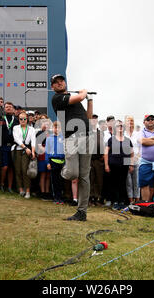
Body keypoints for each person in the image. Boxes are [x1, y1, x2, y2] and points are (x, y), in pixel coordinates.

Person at [51, 74, 93, 221]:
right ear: (53, 87)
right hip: (72, 139)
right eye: (56, 83)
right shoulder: (57, 99)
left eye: (61, 81)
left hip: (87, 136)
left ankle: (82, 212)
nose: (59, 83)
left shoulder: (74, 99)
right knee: (72, 174)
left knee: (84, 176)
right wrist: (83, 92)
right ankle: (63, 169)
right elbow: (79, 97)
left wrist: (90, 100)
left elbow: (87, 116)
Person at [104, 120, 134, 210]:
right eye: (118, 126)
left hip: (124, 166)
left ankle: (122, 202)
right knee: (114, 184)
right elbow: (106, 153)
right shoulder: (111, 140)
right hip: (113, 166)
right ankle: (115, 202)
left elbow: (132, 154)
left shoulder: (128, 140)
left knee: (122, 184)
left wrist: (131, 165)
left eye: (121, 126)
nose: (120, 127)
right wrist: (106, 165)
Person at [13, 111, 36, 198]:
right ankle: (20, 189)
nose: (22, 120)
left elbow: (33, 141)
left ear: (27, 119)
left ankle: (27, 191)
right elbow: (16, 139)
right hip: (17, 150)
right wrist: (25, 148)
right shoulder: (15, 128)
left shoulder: (31, 129)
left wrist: (33, 151)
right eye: (20, 119)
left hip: (28, 151)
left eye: (24, 119)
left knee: (25, 171)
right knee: (18, 170)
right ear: (18, 120)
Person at [0, 102, 18, 193]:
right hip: (4, 146)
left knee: (11, 167)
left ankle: (9, 187)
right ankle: (2, 184)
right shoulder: (1, 119)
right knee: (5, 166)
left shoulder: (16, 120)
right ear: (4, 109)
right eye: (7, 107)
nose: (8, 108)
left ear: (13, 109)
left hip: (13, 146)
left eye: (10, 107)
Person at [46, 121, 65, 204]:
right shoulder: (49, 138)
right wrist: (48, 163)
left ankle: (61, 197)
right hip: (53, 161)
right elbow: (47, 151)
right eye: (55, 127)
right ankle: (56, 198)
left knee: (61, 181)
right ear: (52, 128)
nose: (56, 129)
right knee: (54, 181)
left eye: (58, 127)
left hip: (62, 162)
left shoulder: (63, 138)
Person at [124, 115, 141, 204]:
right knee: (128, 182)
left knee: (136, 181)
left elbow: (140, 147)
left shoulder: (137, 134)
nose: (130, 123)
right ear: (125, 122)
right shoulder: (123, 134)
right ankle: (130, 200)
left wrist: (137, 156)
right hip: (126, 160)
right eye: (128, 121)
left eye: (131, 121)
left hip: (136, 159)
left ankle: (137, 200)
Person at [89, 114, 105, 206]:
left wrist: (103, 155)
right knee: (91, 179)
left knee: (99, 180)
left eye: (95, 119)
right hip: (90, 159)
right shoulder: (87, 132)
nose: (94, 120)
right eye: (92, 119)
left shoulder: (101, 132)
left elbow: (104, 144)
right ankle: (90, 198)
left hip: (99, 160)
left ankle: (96, 198)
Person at [36, 116, 51, 199]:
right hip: (42, 154)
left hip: (50, 155)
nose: (46, 124)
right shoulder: (39, 133)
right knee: (43, 174)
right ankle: (42, 192)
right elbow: (39, 145)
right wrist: (46, 151)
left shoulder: (51, 133)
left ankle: (47, 192)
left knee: (48, 174)